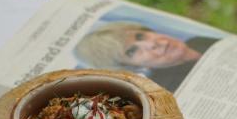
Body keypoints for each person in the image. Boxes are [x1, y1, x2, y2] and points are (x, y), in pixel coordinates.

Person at [74, 21, 220, 93]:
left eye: (140, 35)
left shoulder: (198, 41)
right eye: (132, 51)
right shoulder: (170, 88)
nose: (151, 44)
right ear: (134, 67)